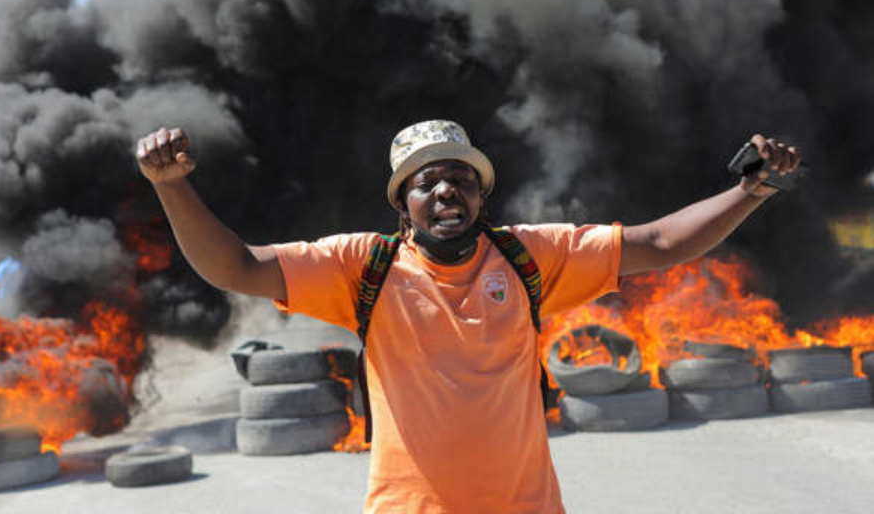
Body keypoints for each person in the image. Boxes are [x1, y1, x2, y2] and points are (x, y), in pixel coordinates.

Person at [135, 120, 800, 513]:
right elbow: (238, 267)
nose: (445, 188)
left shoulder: (531, 256)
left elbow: (659, 243)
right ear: (405, 205)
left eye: (460, 177)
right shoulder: (360, 267)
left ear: (482, 194)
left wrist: (753, 190)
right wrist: (172, 185)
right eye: (426, 181)